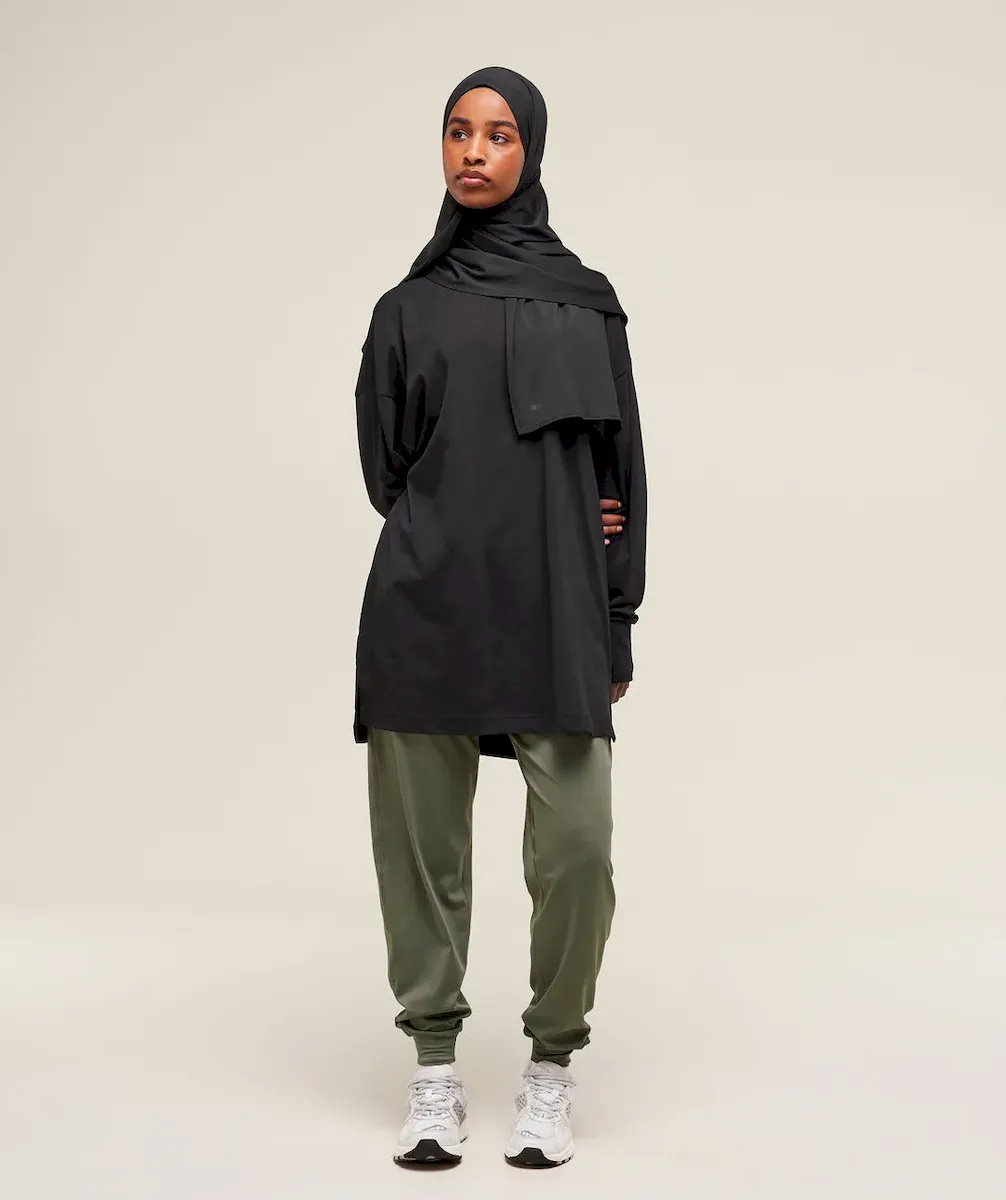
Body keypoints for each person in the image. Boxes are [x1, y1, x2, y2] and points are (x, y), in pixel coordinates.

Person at [352, 64, 646, 1168]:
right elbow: (386, 471)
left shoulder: (587, 302)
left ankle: (550, 1069)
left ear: (533, 150)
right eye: (457, 132)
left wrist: (616, 614)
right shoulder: (405, 310)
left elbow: (622, 475)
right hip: (426, 605)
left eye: (499, 134)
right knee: (420, 854)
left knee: (577, 849)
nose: (474, 153)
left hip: (560, 610)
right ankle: (433, 1070)